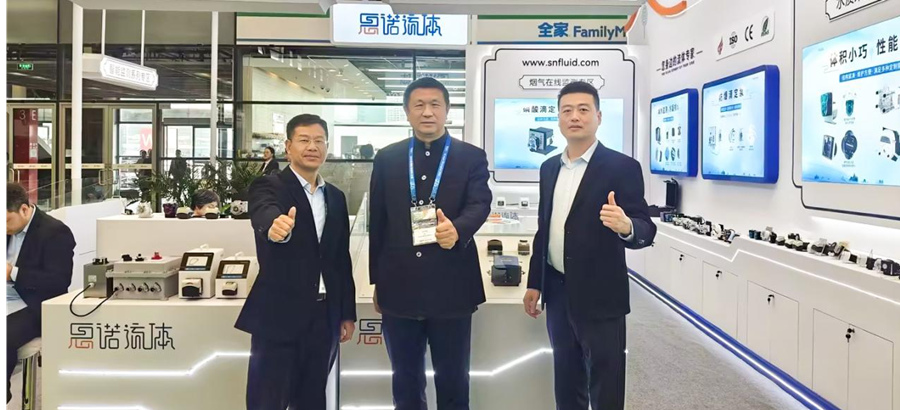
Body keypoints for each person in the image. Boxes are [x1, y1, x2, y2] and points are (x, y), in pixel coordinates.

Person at [522, 81, 656, 410]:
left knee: (605, 382)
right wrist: (535, 282)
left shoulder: (622, 167)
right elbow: (545, 228)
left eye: (583, 110)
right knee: (567, 381)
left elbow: (646, 227)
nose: (574, 117)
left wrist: (626, 226)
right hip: (557, 291)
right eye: (566, 110)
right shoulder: (549, 167)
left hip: (601, 295)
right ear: (558, 118)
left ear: (598, 116)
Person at [369, 77, 492, 410]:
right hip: (399, 287)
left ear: (447, 110)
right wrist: (377, 281)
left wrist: (459, 230)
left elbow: (480, 203)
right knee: (405, 380)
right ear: (407, 111)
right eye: (419, 105)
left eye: (435, 104)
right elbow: (378, 222)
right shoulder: (387, 158)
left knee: (454, 379)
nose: (427, 112)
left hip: (453, 286)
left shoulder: (471, 157)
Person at [235, 114, 357, 410]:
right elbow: (264, 211)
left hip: (324, 316)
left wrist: (346, 312)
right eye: (304, 140)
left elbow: (340, 258)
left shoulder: (336, 197)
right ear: (288, 147)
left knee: (313, 398)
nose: (312, 147)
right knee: (268, 399)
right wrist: (274, 226)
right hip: (280, 314)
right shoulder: (269, 185)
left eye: (319, 141)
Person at [6, 182, 76, 403]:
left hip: (33, 306)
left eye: (6, 221)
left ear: (24, 209)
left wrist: (13, 273)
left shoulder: (55, 232)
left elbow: (58, 282)